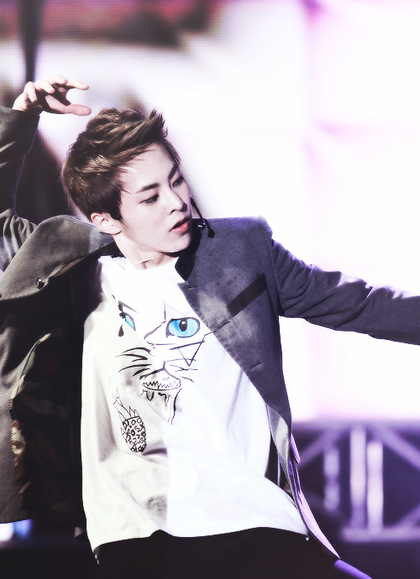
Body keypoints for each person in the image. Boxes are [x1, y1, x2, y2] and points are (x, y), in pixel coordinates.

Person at [3, 74, 420, 579]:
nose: (176, 201)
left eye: (175, 179)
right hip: (141, 531)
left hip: (255, 517)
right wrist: (20, 121)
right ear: (106, 219)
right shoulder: (72, 271)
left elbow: (359, 304)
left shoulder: (239, 252)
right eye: (150, 197)